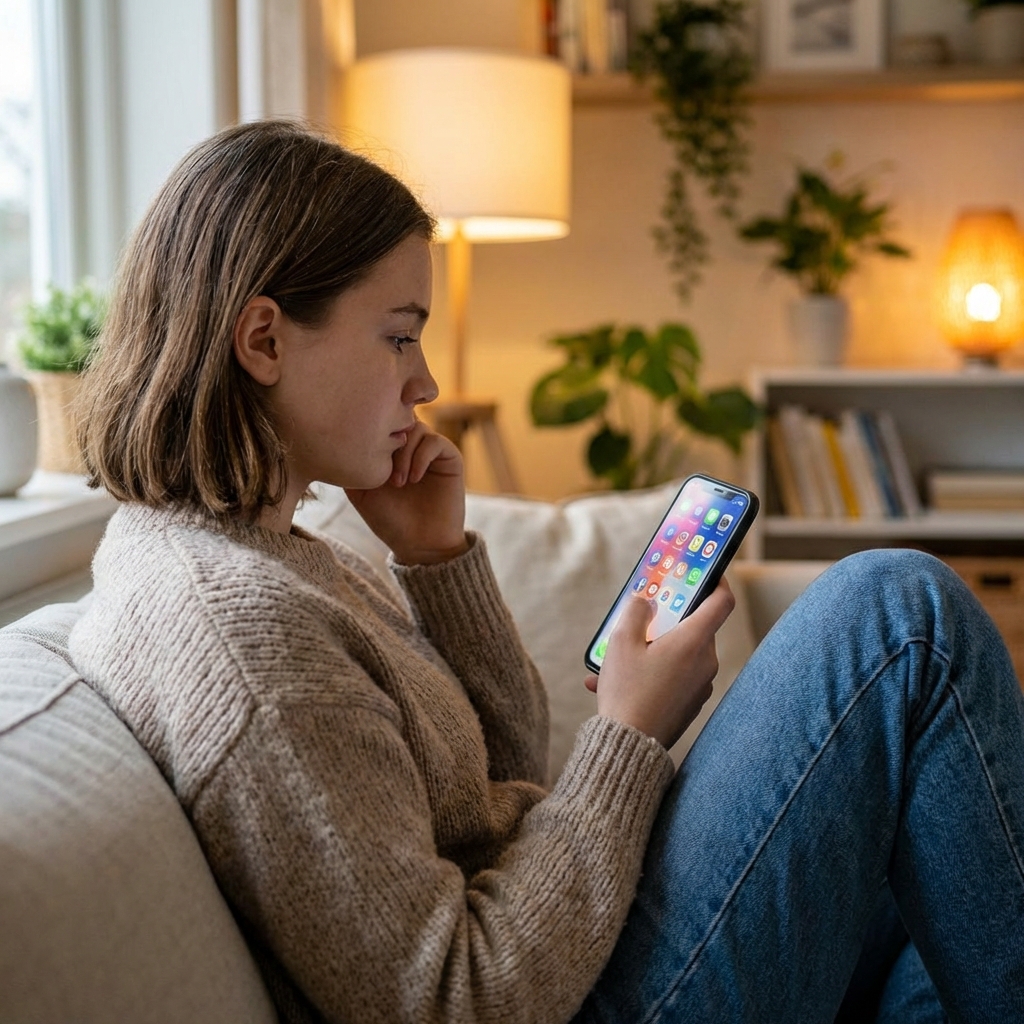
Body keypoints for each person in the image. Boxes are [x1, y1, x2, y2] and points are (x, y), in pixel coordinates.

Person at [69, 120, 1024, 1024]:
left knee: (930, 857)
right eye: (399, 333)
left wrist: (436, 561)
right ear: (264, 339)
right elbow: (458, 999)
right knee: (897, 618)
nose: (425, 382)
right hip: (575, 997)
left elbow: (508, 775)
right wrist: (630, 734)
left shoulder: (266, 555)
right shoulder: (245, 633)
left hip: (580, 951)